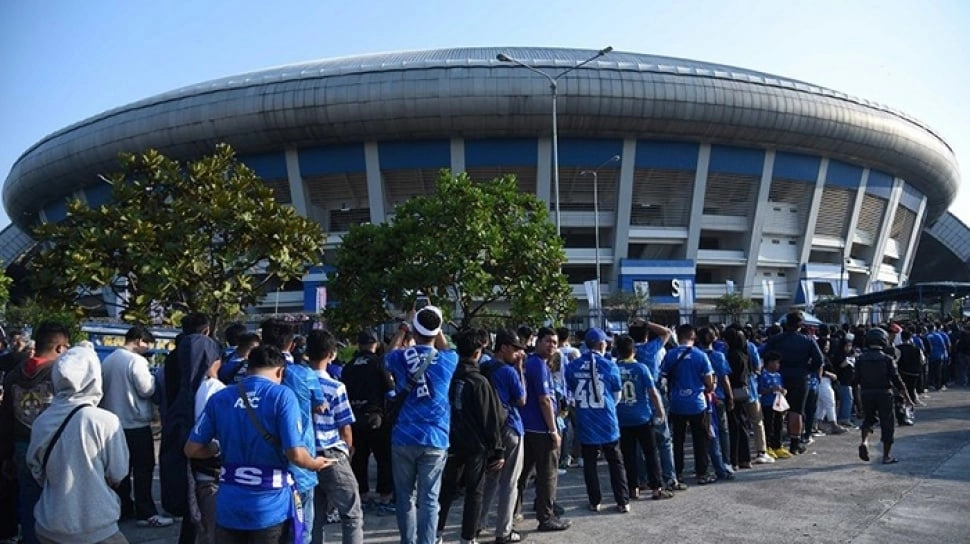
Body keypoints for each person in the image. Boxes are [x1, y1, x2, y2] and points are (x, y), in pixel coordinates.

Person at [185, 345, 335, 544]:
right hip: (269, 506)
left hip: (229, 503)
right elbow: (296, 454)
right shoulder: (282, 396)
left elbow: (192, 449)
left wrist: (216, 447)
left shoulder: (220, 397)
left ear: (248, 369)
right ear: (280, 371)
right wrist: (315, 464)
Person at [27, 345, 131, 544]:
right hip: (97, 527)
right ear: (94, 376)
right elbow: (118, 473)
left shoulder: (42, 421)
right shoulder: (105, 421)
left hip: (49, 524)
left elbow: (37, 472)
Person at [385, 305, 458, 544]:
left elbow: (388, 355)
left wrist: (405, 326)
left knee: (404, 497)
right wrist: (436, 327)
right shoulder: (448, 359)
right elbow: (445, 346)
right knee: (429, 499)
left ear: (413, 330)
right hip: (435, 436)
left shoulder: (399, 357)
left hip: (404, 435)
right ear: (438, 330)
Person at [0, 320, 72, 544]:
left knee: (29, 500)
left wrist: (5, 455)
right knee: (59, 502)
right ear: (60, 348)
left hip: (22, 446)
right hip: (55, 447)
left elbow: (5, 419)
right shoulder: (60, 375)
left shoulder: (13, 374)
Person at [99, 325, 173, 528]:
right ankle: (146, 512)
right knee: (143, 470)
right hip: (136, 423)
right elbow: (147, 389)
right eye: (147, 343)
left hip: (113, 423)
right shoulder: (136, 361)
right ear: (139, 340)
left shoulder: (109, 360)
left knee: (121, 471)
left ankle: (123, 509)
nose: (147, 348)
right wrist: (153, 379)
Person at [437, 329, 505, 544]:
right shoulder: (479, 381)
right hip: (475, 445)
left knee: (446, 490)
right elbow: (490, 418)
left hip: (450, 439)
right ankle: (468, 537)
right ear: (478, 352)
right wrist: (498, 449)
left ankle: (435, 532)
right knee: (474, 491)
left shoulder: (449, 376)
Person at [262, 319, 325, 544]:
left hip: (261, 467)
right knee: (302, 531)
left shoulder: (246, 376)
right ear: (291, 345)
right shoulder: (304, 374)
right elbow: (320, 405)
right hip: (300, 464)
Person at [305, 329, 363, 544]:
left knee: (314, 516)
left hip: (305, 455)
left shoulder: (296, 385)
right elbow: (345, 428)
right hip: (331, 453)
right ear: (332, 354)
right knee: (351, 513)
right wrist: (348, 451)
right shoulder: (335, 387)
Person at [566, 327, 629, 513]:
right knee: (615, 461)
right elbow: (617, 395)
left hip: (585, 418)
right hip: (607, 418)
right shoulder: (610, 365)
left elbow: (571, 389)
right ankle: (622, 500)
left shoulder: (573, 366)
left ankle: (595, 501)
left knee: (590, 464)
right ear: (601, 344)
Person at [515, 327, 571, 532]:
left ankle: (514, 511)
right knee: (547, 474)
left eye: (555, 343)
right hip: (540, 428)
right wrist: (553, 430)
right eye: (548, 341)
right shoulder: (537, 365)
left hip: (528, 427)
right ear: (537, 342)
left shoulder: (532, 363)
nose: (552, 346)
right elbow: (544, 400)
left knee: (524, 474)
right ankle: (546, 517)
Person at [478, 329, 527, 544]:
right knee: (509, 481)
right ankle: (504, 531)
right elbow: (521, 400)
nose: (518, 354)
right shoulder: (508, 371)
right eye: (515, 349)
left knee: (490, 479)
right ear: (504, 347)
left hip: (489, 430)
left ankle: (478, 523)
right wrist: (519, 370)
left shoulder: (483, 367)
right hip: (510, 427)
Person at [340, 330, 395, 513]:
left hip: (354, 418)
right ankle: (384, 495)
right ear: (376, 344)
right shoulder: (379, 364)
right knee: (383, 458)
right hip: (376, 417)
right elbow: (390, 391)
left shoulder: (348, 366)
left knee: (359, 459)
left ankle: (362, 494)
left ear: (358, 344)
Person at [614, 334, 671, 501]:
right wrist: (660, 412)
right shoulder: (641, 368)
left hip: (622, 417)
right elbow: (653, 393)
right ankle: (656, 487)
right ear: (633, 351)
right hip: (642, 416)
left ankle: (633, 488)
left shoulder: (614, 368)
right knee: (651, 452)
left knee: (628, 454)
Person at [760, 312, 825, 455]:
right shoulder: (807, 340)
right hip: (800, 377)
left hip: (779, 377)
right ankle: (795, 443)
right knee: (796, 411)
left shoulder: (776, 339)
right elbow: (819, 360)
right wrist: (808, 369)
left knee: (777, 411)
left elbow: (764, 354)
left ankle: (775, 443)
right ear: (800, 325)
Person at [660, 324, 715, 485]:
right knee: (700, 440)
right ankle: (701, 473)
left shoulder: (670, 355)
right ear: (693, 336)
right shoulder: (701, 356)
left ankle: (678, 472)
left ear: (679, 336)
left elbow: (662, 378)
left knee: (678, 440)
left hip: (676, 403)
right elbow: (709, 383)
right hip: (697, 403)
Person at [855, 328, 914, 464]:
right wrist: (907, 398)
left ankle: (864, 441)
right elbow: (897, 380)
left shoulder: (860, 359)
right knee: (887, 424)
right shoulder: (887, 359)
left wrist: (858, 402)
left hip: (866, 393)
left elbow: (855, 381)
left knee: (868, 419)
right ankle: (886, 456)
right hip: (884, 393)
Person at [758, 352, 791, 459]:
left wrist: (783, 391)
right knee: (769, 425)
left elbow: (782, 387)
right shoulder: (763, 375)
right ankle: (768, 446)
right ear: (770, 363)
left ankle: (778, 446)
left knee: (779, 425)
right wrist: (770, 390)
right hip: (767, 404)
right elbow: (760, 390)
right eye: (777, 363)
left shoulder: (778, 375)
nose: (778, 365)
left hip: (778, 404)